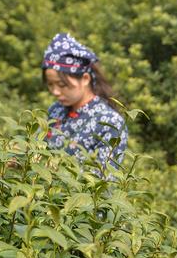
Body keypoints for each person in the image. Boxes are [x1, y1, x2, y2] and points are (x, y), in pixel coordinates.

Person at [41, 32, 128, 177]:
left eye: (62, 84)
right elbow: (37, 148)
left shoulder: (110, 123)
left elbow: (104, 180)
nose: (55, 91)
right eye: (50, 85)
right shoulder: (55, 111)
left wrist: (56, 170)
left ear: (85, 79)